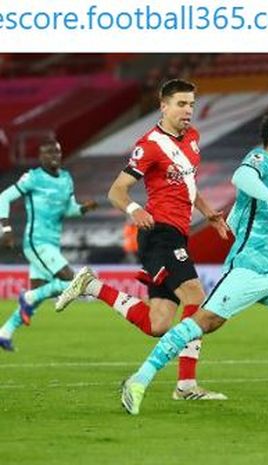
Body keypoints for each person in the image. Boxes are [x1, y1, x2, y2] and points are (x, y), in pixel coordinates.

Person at [114, 107, 268, 415]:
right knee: (205, 323)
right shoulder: (260, 159)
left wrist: (230, 222)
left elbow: (244, 207)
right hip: (246, 271)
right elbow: (241, 177)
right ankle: (139, 379)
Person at [56, 79, 229, 401]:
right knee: (196, 295)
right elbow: (116, 191)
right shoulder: (148, 144)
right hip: (158, 234)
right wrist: (135, 209)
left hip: (178, 233)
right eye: (181, 104)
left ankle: (92, 286)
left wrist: (208, 212)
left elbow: (188, 186)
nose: (188, 110)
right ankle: (186, 386)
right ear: (163, 106)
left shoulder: (192, 138)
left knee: (158, 324)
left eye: (191, 104)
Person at [0, 139, 98, 351]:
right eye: (48, 153)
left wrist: (83, 209)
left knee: (39, 294)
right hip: (36, 241)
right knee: (73, 280)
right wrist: (5, 229)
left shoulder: (66, 179)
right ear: (40, 157)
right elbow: (4, 197)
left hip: (53, 242)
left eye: (56, 152)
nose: (53, 156)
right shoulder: (33, 177)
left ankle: (4, 332)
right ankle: (28, 297)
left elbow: (69, 209)